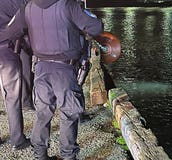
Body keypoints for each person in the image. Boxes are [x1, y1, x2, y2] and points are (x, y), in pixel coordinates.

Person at [0, 0, 103, 159]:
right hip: (66, 70)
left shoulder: (27, 8)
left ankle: (40, 155)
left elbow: (12, 32)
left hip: (41, 69)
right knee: (68, 115)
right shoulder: (69, 5)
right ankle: (68, 156)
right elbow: (96, 27)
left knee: (42, 114)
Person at [0, 0, 31, 150]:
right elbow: (24, 26)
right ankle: (17, 139)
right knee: (12, 97)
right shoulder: (17, 2)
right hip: (5, 51)